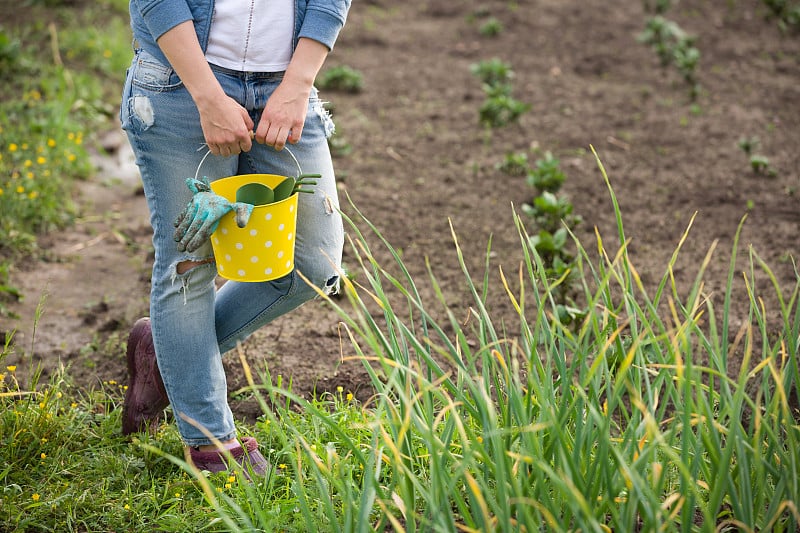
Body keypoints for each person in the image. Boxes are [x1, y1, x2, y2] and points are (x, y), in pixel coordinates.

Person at [119, 0, 351, 476]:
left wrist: (298, 84)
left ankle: (165, 361)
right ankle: (209, 443)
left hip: (285, 86)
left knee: (315, 261)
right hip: (181, 86)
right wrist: (207, 96)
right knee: (191, 261)